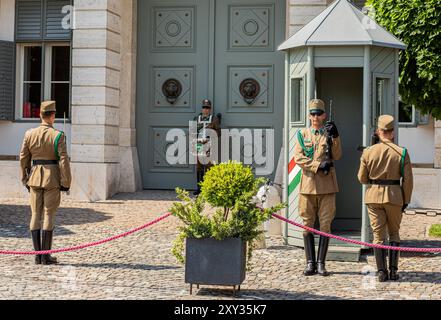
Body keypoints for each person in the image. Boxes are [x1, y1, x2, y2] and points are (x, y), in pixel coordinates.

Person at [358, 115, 413, 282]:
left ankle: (381, 272)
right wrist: (406, 200)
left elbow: (362, 178)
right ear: (392, 133)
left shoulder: (368, 151)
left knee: (378, 235)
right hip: (395, 196)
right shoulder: (402, 152)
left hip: (373, 196)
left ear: (378, 132)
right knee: (394, 233)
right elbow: (408, 181)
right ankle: (394, 271)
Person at [19, 101, 72, 265]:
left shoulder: (29, 134)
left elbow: (23, 158)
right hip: (52, 178)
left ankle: (38, 255)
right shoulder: (58, 135)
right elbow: (63, 161)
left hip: (34, 177)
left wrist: (25, 178)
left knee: (35, 214)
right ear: (52, 116)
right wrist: (66, 181)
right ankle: (46, 256)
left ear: (40, 115)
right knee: (49, 214)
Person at [294, 99, 342, 276]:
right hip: (308, 186)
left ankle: (321, 263)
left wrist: (335, 136)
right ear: (309, 115)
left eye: (318, 114)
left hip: (327, 187)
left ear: (324, 115)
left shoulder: (329, 134)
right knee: (307, 225)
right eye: (312, 114)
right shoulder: (302, 134)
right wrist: (317, 166)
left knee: (325, 225)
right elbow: (298, 158)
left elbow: (337, 155)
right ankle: (310, 263)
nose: (315, 117)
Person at [193, 99, 221, 196]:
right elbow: (193, 132)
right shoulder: (196, 118)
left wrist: (209, 136)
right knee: (199, 166)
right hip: (199, 144)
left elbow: (218, 133)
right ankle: (199, 188)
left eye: (208, 108)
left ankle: (209, 188)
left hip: (209, 145)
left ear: (210, 108)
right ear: (202, 108)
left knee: (209, 166)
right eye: (204, 107)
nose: (206, 110)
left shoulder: (214, 119)